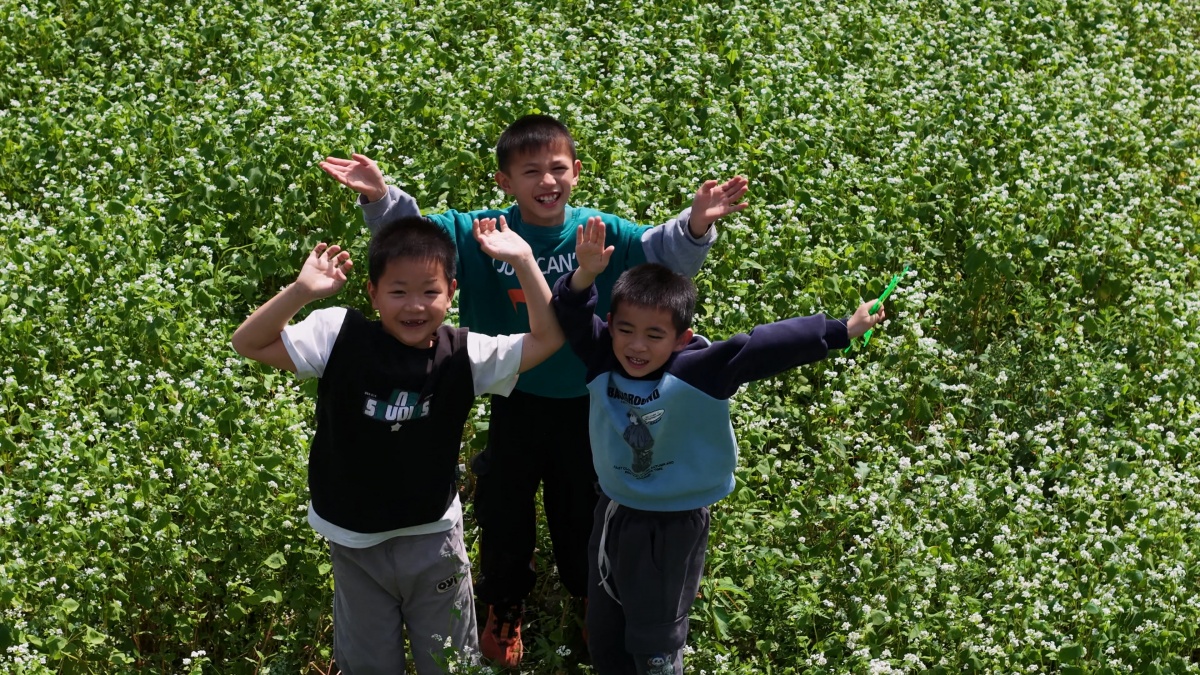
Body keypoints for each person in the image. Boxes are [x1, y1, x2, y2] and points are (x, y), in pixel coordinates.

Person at [320, 114, 749, 666]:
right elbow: (416, 241)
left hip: (590, 401)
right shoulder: (483, 231)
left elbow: (660, 255)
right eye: (530, 172)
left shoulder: (598, 231)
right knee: (504, 508)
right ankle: (504, 603)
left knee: (585, 510)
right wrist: (381, 198)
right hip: (512, 396)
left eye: (557, 169)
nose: (546, 182)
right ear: (504, 182)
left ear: (576, 173)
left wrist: (694, 227)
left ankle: (590, 599)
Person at [551, 218, 887, 675]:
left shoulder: (698, 370)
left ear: (681, 339)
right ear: (610, 326)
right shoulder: (602, 355)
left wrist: (840, 330)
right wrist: (585, 274)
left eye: (654, 336)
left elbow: (761, 347)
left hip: (673, 524)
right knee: (607, 625)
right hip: (614, 511)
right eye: (626, 329)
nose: (636, 346)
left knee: (655, 641)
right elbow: (569, 312)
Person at [230, 215, 563, 674]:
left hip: (432, 539)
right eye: (398, 291)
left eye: (430, 291)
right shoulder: (337, 335)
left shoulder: (464, 353)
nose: (415, 306)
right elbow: (247, 341)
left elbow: (548, 339)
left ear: (451, 291)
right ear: (372, 292)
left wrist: (524, 259)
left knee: (450, 663)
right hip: (354, 542)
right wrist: (302, 290)